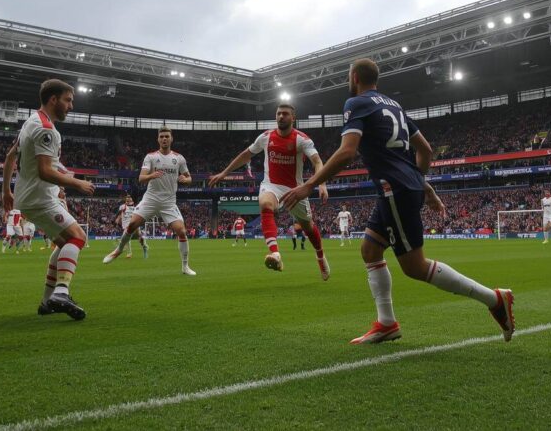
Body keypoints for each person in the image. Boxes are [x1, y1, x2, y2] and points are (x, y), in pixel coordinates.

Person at [281, 58, 514, 344]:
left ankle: (494, 299)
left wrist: (309, 185)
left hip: (395, 190)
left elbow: (347, 152)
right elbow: (425, 150)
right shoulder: (394, 106)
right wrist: (421, 184)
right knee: (370, 250)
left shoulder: (356, 103)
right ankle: (387, 323)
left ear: (354, 78)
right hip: (398, 188)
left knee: (415, 266)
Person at [2, 79, 95, 320]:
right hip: (40, 198)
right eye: (68, 100)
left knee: (65, 243)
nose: (71, 106)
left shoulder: (31, 121)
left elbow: (10, 156)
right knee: (78, 237)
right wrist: (77, 183)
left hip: (29, 196)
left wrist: (6, 191)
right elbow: (44, 171)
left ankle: (47, 302)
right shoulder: (47, 130)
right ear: (53, 100)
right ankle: (61, 292)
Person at [209, 104, 330, 280]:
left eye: (285, 114)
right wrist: (225, 173)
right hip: (271, 185)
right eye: (278, 113)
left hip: (295, 189)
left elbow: (317, 162)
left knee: (308, 227)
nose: (281, 116)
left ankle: (320, 256)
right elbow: (246, 154)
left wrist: (322, 184)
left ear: (293, 118)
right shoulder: (266, 137)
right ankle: (275, 254)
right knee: (265, 204)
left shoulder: (301, 139)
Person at [104, 127, 195, 275]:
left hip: (169, 202)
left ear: (171, 139)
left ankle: (185, 266)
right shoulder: (151, 157)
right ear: (158, 139)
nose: (164, 139)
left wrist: (186, 179)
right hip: (151, 199)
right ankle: (118, 250)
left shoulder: (179, 158)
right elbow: (141, 178)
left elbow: (189, 177)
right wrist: (152, 175)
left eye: (167, 136)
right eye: (161, 136)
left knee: (181, 231)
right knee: (132, 224)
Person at [114, 194, 149, 259]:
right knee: (127, 238)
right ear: (125, 200)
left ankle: (144, 247)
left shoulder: (135, 207)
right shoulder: (122, 207)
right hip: (126, 225)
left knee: (140, 238)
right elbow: (119, 215)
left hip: (134, 224)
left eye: (129, 199)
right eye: (127, 199)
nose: (128, 200)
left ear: (132, 200)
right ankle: (129, 252)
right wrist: (117, 220)